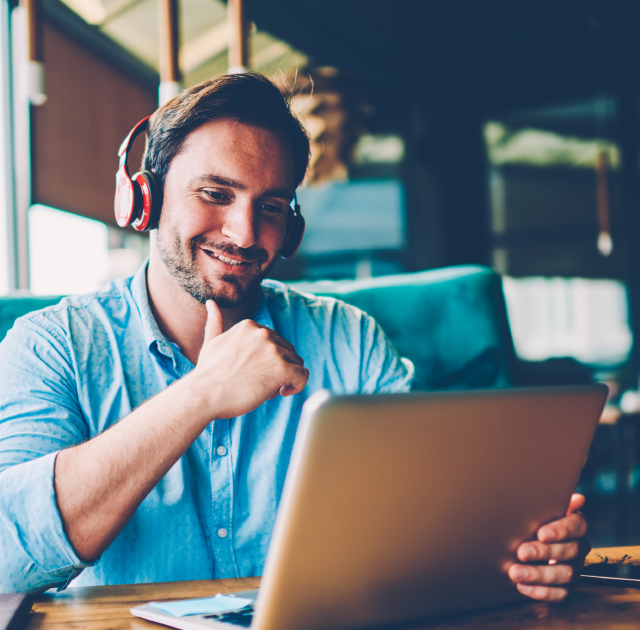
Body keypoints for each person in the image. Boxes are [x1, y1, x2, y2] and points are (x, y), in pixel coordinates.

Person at [0, 73, 588, 600]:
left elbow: (423, 522)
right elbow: (8, 557)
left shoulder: (348, 340)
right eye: (215, 194)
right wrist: (200, 395)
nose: (244, 232)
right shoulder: (53, 346)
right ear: (144, 198)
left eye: (272, 205)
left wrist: (525, 548)